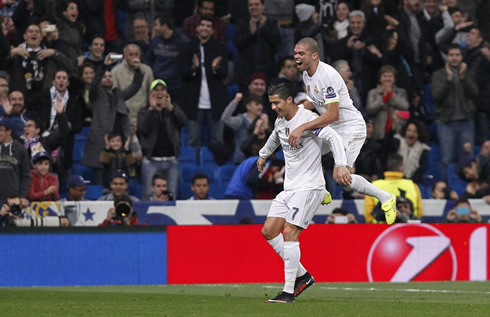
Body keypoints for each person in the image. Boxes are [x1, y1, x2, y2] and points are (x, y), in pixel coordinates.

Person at [290, 37, 397, 225]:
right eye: (295, 53)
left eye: (301, 53)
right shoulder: (307, 74)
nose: (296, 57)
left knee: (341, 177)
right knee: (301, 148)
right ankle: (320, 189)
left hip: (350, 128)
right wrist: (296, 113)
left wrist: (303, 126)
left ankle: (386, 197)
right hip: (334, 127)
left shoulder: (327, 76)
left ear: (314, 55)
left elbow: (332, 114)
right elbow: (315, 100)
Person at [258, 83, 345, 303]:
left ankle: (288, 292)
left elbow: (333, 137)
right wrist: (263, 155)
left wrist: (341, 164)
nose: (274, 107)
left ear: (289, 100)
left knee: (289, 233)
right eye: (271, 103)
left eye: (276, 102)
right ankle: (303, 276)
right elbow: (275, 137)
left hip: (309, 187)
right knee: (269, 231)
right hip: (290, 188)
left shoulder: (308, 119)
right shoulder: (280, 122)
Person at [82, 53, 143, 185]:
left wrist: (137, 69)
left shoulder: (118, 94)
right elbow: (93, 84)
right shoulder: (96, 95)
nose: (108, 78)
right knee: (100, 182)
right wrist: (104, 66)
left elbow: (135, 86)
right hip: (101, 146)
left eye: (110, 76)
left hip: (120, 149)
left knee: (121, 183)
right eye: (105, 77)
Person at [180, 15, 228, 158]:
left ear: (212, 30)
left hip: (215, 102)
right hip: (194, 103)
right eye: (203, 25)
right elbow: (183, 74)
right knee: (193, 141)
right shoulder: (187, 48)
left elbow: (224, 73)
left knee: (217, 141)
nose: (205, 28)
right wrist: (194, 68)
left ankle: (216, 169)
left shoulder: (219, 49)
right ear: (197, 28)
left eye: (208, 26)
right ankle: (193, 169)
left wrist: (215, 69)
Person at [432, 44, 478, 180]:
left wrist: (463, 77)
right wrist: (449, 79)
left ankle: (468, 189)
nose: (454, 58)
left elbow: (475, 93)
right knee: (447, 159)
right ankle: (447, 188)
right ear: (447, 57)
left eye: (457, 55)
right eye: (451, 55)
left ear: (462, 57)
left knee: (468, 159)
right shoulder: (439, 74)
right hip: (446, 123)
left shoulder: (469, 73)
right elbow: (437, 96)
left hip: (466, 122)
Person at [137, 79, 187, 198]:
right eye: (156, 90)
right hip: (151, 161)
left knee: (171, 196)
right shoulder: (144, 111)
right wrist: (152, 109)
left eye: (162, 90)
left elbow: (183, 121)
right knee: (148, 196)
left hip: (171, 160)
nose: (160, 93)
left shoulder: (173, 108)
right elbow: (142, 129)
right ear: (151, 93)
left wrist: (170, 108)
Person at [233, 0, 280, 92]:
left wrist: (264, 28)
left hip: (267, 69)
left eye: (256, 4)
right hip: (246, 69)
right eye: (250, 5)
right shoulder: (242, 23)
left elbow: (276, 42)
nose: (253, 7)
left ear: (263, 6)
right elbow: (237, 43)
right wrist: (251, 33)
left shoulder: (271, 23)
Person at [364, 153, 423, 224]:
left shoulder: (374, 185)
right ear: (400, 168)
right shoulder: (412, 185)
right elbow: (419, 213)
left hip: (381, 231)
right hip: (408, 228)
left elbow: (368, 217)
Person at [146, 13, 189, 105]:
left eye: (156, 25)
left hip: (176, 86)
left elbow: (186, 63)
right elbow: (149, 59)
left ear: (165, 25)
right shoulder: (155, 41)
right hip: (158, 84)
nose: (154, 28)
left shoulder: (183, 42)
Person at [111, 44, 154, 125]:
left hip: (142, 114)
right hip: (124, 115)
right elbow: (115, 96)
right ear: (124, 56)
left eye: (136, 54)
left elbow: (151, 93)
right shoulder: (115, 71)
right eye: (130, 54)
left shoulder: (147, 70)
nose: (134, 57)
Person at [366, 65, 409, 140]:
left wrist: (391, 95)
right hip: (378, 132)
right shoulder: (373, 92)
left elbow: (405, 106)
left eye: (390, 76)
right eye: (384, 76)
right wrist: (382, 99)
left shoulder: (401, 92)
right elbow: (370, 110)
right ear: (380, 78)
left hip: (397, 131)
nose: (387, 79)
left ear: (394, 79)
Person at [221, 93, 263, 165]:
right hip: (242, 160)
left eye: (261, 104)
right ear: (248, 107)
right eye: (257, 104)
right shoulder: (241, 120)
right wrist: (235, 101)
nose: (260, 107)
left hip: (259, 159)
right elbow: (225, 119)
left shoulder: (263, 120)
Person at [0, 116, 30, 208]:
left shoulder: (20, 149)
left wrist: (22, 196)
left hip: (13, 200)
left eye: (0, 130)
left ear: (9, 132)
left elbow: (25, 175)